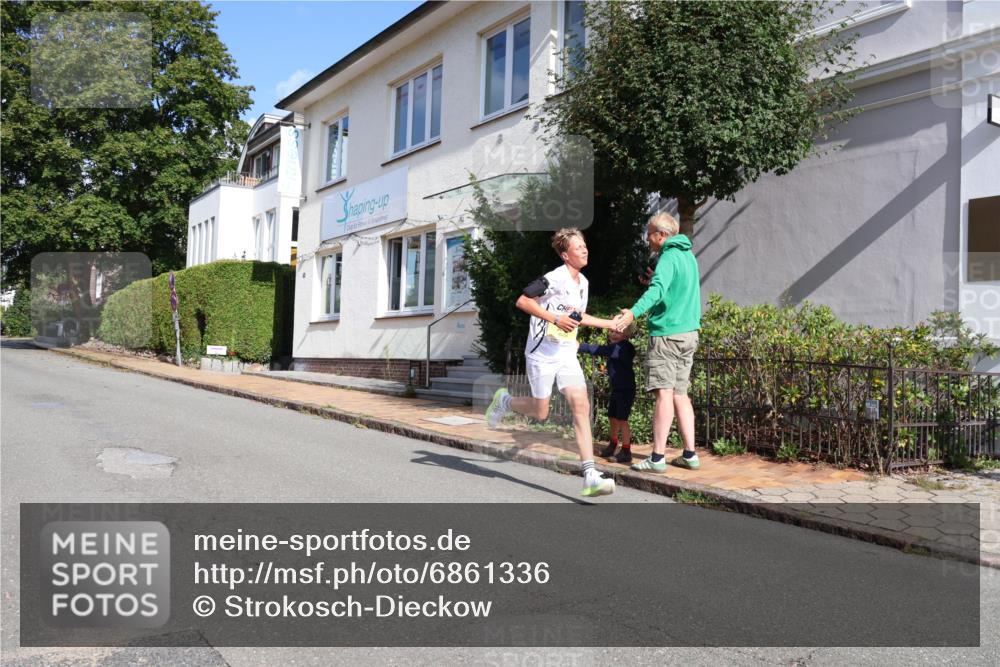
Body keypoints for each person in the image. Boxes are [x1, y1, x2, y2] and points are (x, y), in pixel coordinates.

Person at [486, 228, 618, 497]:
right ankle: (505, 401)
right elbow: (523, 300)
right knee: (540, 412)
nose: (584, 249)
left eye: (585, 245)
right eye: (578, 247)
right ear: (565, 255)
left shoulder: (583, 282)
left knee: (581, 405)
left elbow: (578, 316)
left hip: (567, 352)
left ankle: (590, 474)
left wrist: (608, 324)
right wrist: (554, 319)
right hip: (542, 354)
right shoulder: (552, 279)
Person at [613, 212, 701, 472]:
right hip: (688, 333)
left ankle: (658, 458)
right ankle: (690, 454)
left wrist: (631, 313)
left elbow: (657, 291)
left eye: (650, 233)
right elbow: (676, 290)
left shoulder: (668, 257)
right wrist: (655, 279)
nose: (647, 239)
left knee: (664, 394)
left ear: (661, 235)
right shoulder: (689, 257)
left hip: (667, 335)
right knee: (681, 394)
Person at [577, 325, 637, 463]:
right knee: (612, 416)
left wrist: (580, 346)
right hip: (617, 388)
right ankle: (613, 444)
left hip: (625, 389)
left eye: (618, 332)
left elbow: (601, 350)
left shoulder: (622, 347)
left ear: (626, 335)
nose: (613, 334)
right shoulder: (616, 348)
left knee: (622, 419)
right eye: (612, 331)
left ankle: (626, 450)